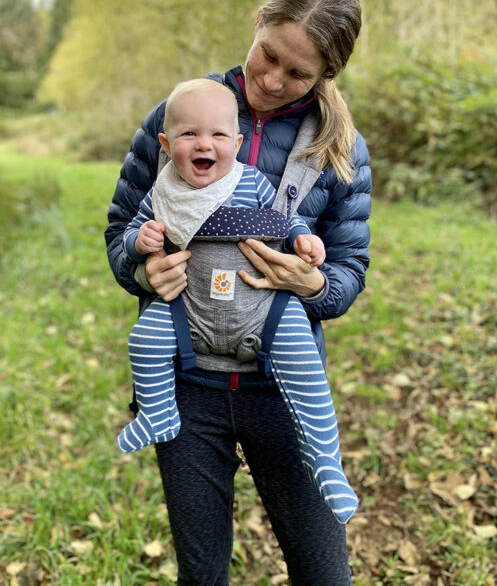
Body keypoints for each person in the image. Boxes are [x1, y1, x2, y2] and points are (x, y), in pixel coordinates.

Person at [105, 0, 369, 584]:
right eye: (268, 55)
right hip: (188, 386)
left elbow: (349, 269)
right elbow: (122, 228)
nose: (273, 81)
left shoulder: (339, 150)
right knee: (202, 574)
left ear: (327, 76)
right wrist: (143, 269)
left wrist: (313, 287)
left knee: (324, 571)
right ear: (257, 22)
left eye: (298, 73)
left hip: (281, 389)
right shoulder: (179, 112)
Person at [116, 78, 358, 526]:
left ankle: (327, 461)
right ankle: (158, 413)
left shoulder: (251, 183)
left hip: (265, 311)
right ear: (166, 145)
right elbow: (127, 230)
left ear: (238, 143)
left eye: (218, 136)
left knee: (303, 362)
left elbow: (289, 221)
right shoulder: (163, 190)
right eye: (189, 135)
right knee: (143, 340)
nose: (204, 144)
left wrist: (305, 241)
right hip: (187, 316)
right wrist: (138, 246)